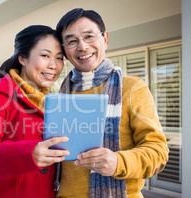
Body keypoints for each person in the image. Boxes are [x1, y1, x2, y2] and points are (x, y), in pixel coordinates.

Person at [54, 8, 170, 198]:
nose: (82, 46)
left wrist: (118, 162)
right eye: (72, 41)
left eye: (89, 36)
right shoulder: (60, 96)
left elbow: (158, 154)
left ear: (105, 39)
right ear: (65, 51)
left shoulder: (132, 88)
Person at [0, 25, 70, 198]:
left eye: (59, 58)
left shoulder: (54, 103)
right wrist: (29, 153)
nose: (54, 65)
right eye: (45, 56)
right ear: (22, 58)